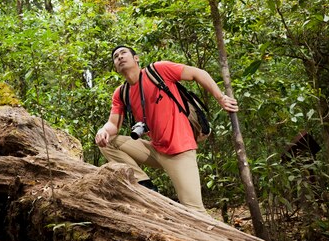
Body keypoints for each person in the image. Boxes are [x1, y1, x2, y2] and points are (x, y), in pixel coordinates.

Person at [95, 45, 239, 212]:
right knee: (108, 142)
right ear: (115, 67)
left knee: (195, 211)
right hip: (155, 150)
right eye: (116, 56)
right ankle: (143, 184)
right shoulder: (121, 93)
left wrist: (221, 98)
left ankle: (215, 237)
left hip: (180, 149)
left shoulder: (158, 70)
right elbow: (113, 124)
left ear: (136, 58)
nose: (119, 57)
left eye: (123, 53)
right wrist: (103, 131)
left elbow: (197, 73)